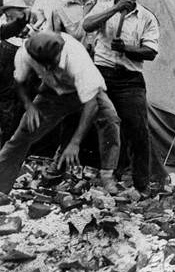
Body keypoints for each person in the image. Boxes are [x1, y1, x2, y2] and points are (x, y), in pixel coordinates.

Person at [0, 32, 121, 194]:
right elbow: (19, 82)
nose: (48, 68)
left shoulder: (76, 58)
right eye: (43, 65)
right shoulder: (25, 53)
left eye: (52, 63)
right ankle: (1, 187)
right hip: (53, 92)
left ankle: (107, 175)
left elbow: (91, 104)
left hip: (87, 92)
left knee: (110, 120)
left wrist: (75, 142)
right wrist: (29, 106)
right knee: (21, 136)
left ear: (59, 53)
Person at [82, 0, 163, 193]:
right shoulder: (103, 8)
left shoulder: (146, 17)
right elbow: (87, 25)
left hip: (130, 79)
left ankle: (142, 184)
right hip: (102, 75)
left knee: (138, 130)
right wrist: (116, 9)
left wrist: (126, 49)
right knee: (104, 125)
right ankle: (105, 176)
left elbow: (151, 51)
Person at [0, 0, 30, 144]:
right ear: (8, 11)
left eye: (22, 9)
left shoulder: (29, 28)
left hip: (17, 74)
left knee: (11, 112)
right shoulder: (2, 26)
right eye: (18, 9)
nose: (21, 12)